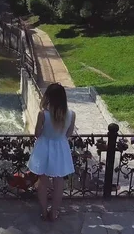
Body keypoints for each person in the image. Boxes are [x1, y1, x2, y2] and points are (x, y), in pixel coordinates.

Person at [27, 82, 75, 221]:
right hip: (60, 148)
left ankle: (43, 211)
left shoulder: (43, 114)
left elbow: (37, 133)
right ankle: (54, 212)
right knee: (59, 181)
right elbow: (68, 134)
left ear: (49, 97)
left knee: (43, 180)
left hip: (44, 148)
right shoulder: (71, 114)